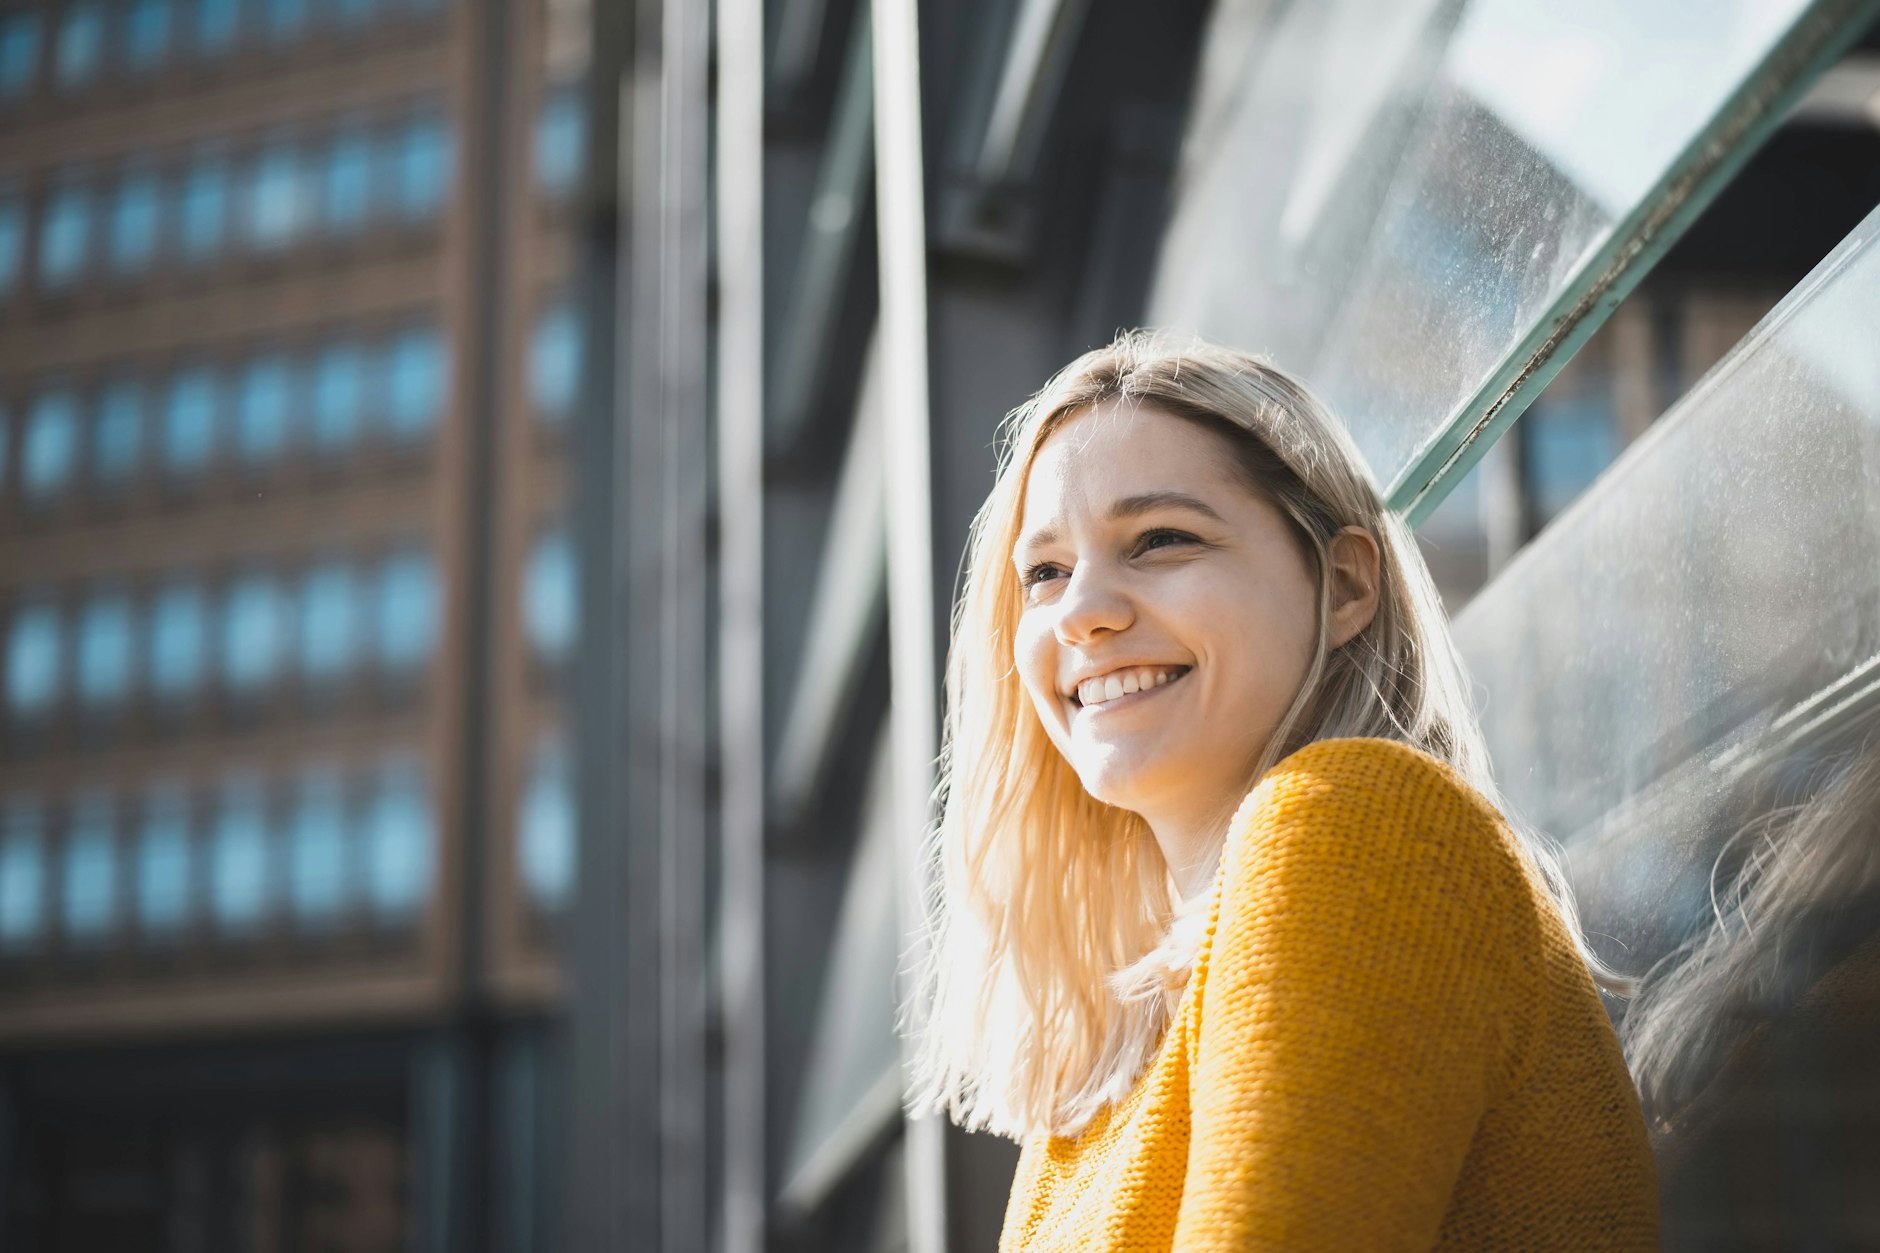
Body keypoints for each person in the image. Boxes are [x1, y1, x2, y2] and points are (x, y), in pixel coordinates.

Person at [903, 331, 1659, 1250]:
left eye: (1161, 540)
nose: (1083, 611)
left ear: (1343, 585)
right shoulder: (1100, 1088)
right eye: (1045, 572)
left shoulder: (1357, 818)